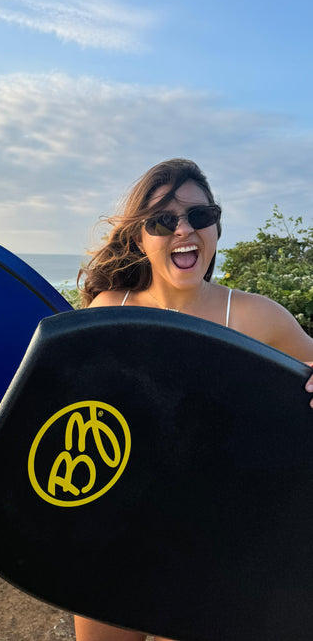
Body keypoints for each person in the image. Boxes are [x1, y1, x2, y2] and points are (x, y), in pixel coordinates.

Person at [74, 157, 313, 641]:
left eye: (200, 216)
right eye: (163, 220)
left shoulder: (255, 317)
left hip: (209, 539)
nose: (184, 229)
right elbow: (72, 409)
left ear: (216, 229)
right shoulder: (110, 309)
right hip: (115, 524)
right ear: (139, 238)